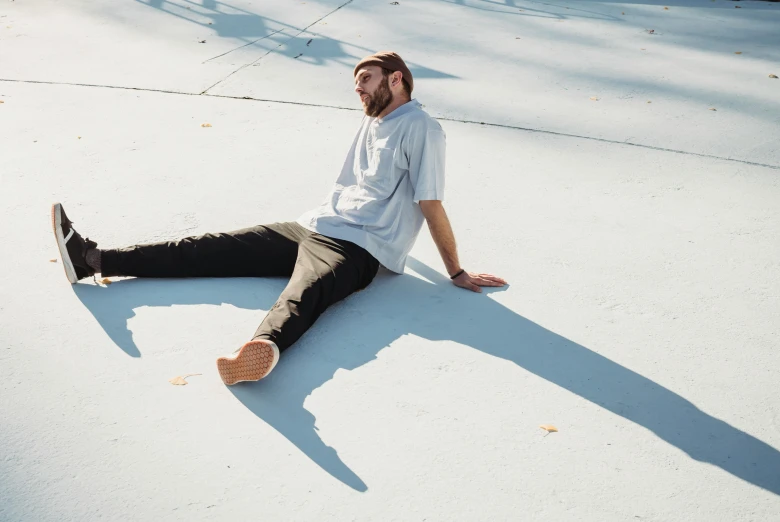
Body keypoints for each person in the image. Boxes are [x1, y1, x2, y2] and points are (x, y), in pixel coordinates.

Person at [51, 51, 508, 386]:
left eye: (366, 78)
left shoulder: (422, 129)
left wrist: (456, 270)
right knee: (208, 247)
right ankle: (92, 259)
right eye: (356, 81)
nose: (358, 87)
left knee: (304, 293)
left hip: (359, 247)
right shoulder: (375, 117)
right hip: (313, 224)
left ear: (397, 79)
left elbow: (430, 202)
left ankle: (260, 351)